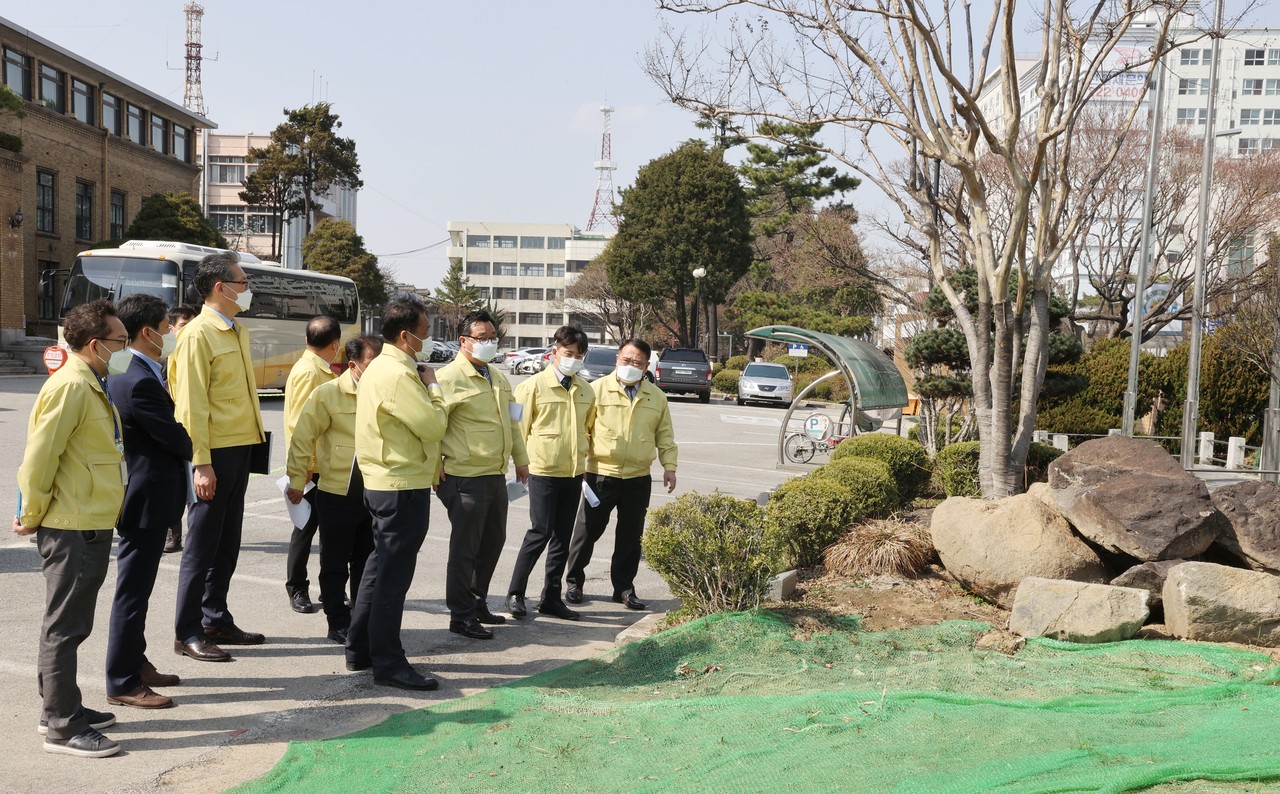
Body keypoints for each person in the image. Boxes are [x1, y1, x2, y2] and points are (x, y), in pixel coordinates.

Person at [15, 300, 128, 758]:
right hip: (71, 524)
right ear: (96, 344)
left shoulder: (89, 381)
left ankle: (59, 707)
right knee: (66, 627)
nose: (125, 348)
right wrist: (32, 513)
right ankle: (63, 726)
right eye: (120, 341)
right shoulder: (72, 386)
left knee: (68, 623)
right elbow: (39, 457)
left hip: (88, 519)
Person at [168, 252, 266, 663]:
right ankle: (187, 631)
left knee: (227, 542)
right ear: (221, 288)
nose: (248, 290)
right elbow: (191, 405)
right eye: (242, 283)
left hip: (241, 447)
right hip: (215, 453)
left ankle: (215, 618)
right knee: (202, 545)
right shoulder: (197, 335)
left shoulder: (234, 329)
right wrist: (201, 462)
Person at [349, 294, 447, 691]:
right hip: (400, 484)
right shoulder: (398, 374)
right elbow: (434, 425)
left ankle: (361, 649)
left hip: (385, 481)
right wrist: (435, 388)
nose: (429, 339)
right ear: (406, 335)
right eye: (425, 332)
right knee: (392, 579)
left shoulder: (382, 366)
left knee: (377, 571)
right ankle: (388, 663)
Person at [104, 295, 191, 711]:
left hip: (145, 492)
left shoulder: (128, 367)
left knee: (138, 588)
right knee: (133, 591)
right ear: (147, 332)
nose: (172, 333)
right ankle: (122, 679)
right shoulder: (137, 378)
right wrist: (194, 441)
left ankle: (136, 663)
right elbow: (174, 437)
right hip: (146, 496)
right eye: (166, 325)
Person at [565, 339, 678, 611]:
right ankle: (574, 582)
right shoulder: (596, 390)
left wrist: (669, 466)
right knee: (588, 530)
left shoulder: (656, 397)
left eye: (637, 363)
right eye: (626, 360)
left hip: (638, 477)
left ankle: (624, 589)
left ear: (646, 366)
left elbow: (664, 434)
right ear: (617, 359)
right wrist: (579, 465)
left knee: (631, 535)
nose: (630, 366)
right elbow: (583, 431)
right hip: (600, 474)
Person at [436, 310, 529, 639]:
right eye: (482, 337)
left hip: (495, 475)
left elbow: (512, 422)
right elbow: (432, 427)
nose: (489, 343)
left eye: (493, 337)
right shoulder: (447, 378)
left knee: (492, 542)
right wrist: (435, 467)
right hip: (463, 477)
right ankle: (460, 615)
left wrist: (521, 459)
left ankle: (476, 603)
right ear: (463, 341)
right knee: (465, 549)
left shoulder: (499, 377)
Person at [285, 335, 381, 646]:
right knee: (335, 562)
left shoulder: (386, 392)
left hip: (377, 491)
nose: (379, 370)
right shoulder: (328, 394)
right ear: (353, 365)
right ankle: (337, 621)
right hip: (336, 492)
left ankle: (363, 620)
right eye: (372, 364)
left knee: (368, 564)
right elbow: (302, 437)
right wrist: (297, 481)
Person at [506, 325, 595, 621]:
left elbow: (588, 430)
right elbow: (518, 427)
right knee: (540, 532)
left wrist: (584, 464)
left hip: (572, 473)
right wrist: (519, 462)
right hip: (542, 470)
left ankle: (551, 597)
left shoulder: (585, 390)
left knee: (561, 537)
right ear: (554, 351)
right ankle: (516, 593)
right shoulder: (532, 386)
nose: (573, 359)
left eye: (578, 355)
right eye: (568, 353)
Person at [282, 315, 342, 614]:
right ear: (335, 343)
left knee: (328, 531)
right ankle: (297, 588)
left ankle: (329, 588)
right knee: (305, 529)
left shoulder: (318, 368)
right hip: (311, 467)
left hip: (324, 465)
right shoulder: (309, 372)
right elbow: (298, 424)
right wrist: (301, 468)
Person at [164, 304, 197, 555]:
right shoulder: (167, 356)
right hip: (173, 426)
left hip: (190, 428)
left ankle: (190, 534)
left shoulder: (193, 352)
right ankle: (173, 535)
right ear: (171, 328)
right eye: (184, 326)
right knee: (175, 485)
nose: (189, 330)